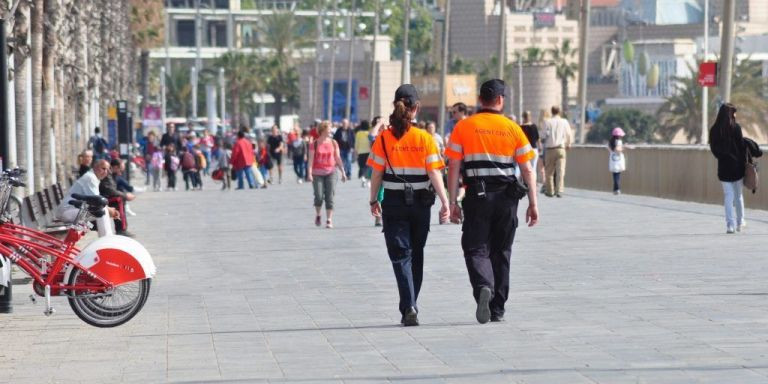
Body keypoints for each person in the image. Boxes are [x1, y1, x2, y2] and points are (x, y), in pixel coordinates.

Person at [446, 79, 538, 324]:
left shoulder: (464, 127)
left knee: (475, 248)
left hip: (477, 195)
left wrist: (453, 201)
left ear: (480, 99)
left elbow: (454, 165)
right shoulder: (512, 128)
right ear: (500, 100)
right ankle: (497, 308)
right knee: (502, 251)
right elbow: (528, 170)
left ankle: (483, 286)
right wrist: (533, 203)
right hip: (508, 198)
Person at [367, 84, 450, 327]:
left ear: (395, 106)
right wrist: (445, 202)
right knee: (417, 254)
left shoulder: (383, 139)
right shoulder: (425, 138)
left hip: (393, 203)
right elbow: (435, 174)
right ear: (416, 108)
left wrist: (374, 199)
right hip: (421, 204)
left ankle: (409, 305)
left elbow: (376, 175)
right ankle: (410, 304)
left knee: (400, 255)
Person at [708, 103, 748, 234]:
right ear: (730, 114)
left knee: (728, 196)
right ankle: (740, 222)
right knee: (738, 195)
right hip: (737, 168)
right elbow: (742, 147)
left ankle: (730, 225)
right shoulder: (736, 128)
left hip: (724, 168)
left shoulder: (714, 130)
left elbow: (713, 149)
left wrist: (722, 156)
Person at [308, 121, 347, 228]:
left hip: (331, 172)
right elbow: (310, 160)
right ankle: (318, 214)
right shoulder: (314, 144)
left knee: (330, 196)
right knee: (319, 196)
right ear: (323, 129)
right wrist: (309, 173)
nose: (331, 130)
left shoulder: (334, 142)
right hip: (317, 173)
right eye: (329, 128)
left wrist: (343, 171)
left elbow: (338, 158)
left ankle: (329, 219)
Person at [540, 105, 572, 198]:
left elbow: (542, 136)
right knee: (561, 171)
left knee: (549, 172)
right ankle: (560, 190)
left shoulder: (547, 122)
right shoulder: (564, 121)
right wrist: (568, 144)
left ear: (552, 111)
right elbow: (569, 134)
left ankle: (550, 191)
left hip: (550, 150)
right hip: (561, 149)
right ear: (559, 112)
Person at [100, 159, 136, 236]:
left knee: (120, 197)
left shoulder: (112, 175)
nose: (121, 173)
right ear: (115, 167)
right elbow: (110, 191)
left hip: (103, 197)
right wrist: (125, 195)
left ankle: (122, 228)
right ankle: (121, 229)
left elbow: (112, 190)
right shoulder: (108, 175)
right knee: (118, 199)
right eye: (120, 170)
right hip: (102, 198)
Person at [515, 111, 540, 180]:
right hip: (534, 149)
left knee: (521, 168)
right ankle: (533, 183)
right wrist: (540, 147)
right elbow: (538, 139)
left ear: (523, 117)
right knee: (533, 168)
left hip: (524, 149)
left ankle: (520, 182)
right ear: (530, 117)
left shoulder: (520, 127)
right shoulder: (534, 126)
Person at [608, 127, 627, 195]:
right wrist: (624, 147)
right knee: (617, 175)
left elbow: (610, 150)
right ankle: (617, 189)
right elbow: (618, 150)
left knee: (615, 175)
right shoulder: (618, 141)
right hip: (618, 160)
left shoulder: (610, 142)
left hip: (612, 159)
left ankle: (615, 189)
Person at [354, 120, 372, 186]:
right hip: (369, 152)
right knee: (368, 166)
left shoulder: (358, 133)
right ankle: (366, 178)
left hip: (361, 152)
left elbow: (356, 142)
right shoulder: (369, 133)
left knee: (361, 166)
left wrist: (356, 151)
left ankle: (363, 177)